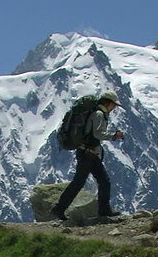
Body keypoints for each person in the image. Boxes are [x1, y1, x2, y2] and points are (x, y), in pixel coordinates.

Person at [51, 91, 124, 220]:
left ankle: (103, 210)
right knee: (93, 181)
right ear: (106, 103)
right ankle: (60, 208)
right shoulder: (99, 114)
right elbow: (97, 134)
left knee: (96, 181)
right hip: (88, 154)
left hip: (87, 153)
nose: (113, 108)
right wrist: (113, 136)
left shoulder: (95, 113)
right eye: (113, 105)